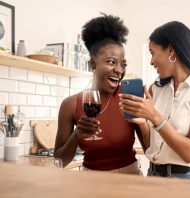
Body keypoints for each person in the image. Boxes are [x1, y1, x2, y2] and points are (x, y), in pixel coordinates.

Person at [119, 21, 190, 180]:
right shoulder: (155, 89)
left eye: (153, 53)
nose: (151, 61)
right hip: (153, 175)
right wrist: (141, 123)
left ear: (171, 50)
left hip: (187, 182)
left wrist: (155, 117)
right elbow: (151, 148)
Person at [54, 14, 143, 175]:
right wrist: (76, 135)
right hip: (90, 181)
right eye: (111, 62)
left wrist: (146, 121)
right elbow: (59, 161)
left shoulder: (129, 97)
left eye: (123, 65)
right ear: (93, 64)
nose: (119, 70)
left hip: (130, 178)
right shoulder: (70, 105)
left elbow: (152, 151)